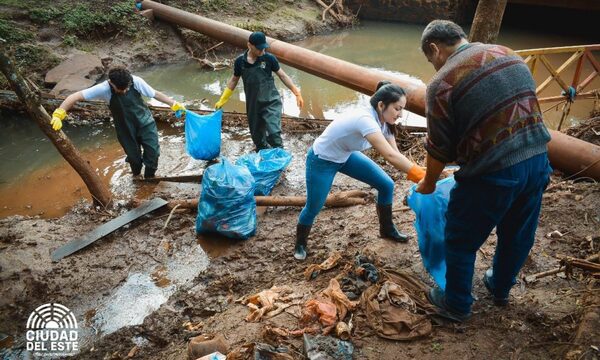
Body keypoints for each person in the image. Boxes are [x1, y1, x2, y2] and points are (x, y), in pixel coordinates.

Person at [416, 20, 552, 322]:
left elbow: (438, 147)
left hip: (494, 172)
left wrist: (427, 184)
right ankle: (501, 287)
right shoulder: (508, 53)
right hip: (537, 158)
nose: (433, 66)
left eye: (430, 59)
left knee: (460, 238)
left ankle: (457, 304)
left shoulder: (442, 84)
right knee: (517, 233)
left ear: (435, 49)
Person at [294, 81, 426, 261]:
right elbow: (389, 156)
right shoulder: (365, 119)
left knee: (386, 184)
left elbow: (396, 153)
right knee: (314, 206)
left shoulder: (384, 120)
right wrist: (422, 177)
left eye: (402, 109)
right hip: (322, 160)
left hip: (346, 155)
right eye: (397, 108)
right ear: (381, 105)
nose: (400, 114)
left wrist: (420, 172)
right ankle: (300, 243)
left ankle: (387, 229)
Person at [50, 67, 185, 179]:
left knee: (153, 153)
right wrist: (59, 113)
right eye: (121, 89)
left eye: (127, 88)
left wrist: (174, 104)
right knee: (134, 159)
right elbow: (74, 96)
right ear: (111, 83)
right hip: (125, 128)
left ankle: (150, 178)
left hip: (145, 123)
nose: (125, 91)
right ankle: (136, 177)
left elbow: (154, 94)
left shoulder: (136, 81)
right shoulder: (103, 88)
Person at [214, 31, 304, 151]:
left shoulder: (268, 58)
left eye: (264, 48)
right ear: (249, 45)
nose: (262, 51)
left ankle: (280, 157)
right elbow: (234, 80)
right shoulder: (240, 61)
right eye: (259, 48)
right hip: (253, 104)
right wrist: (223, 99)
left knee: (274, 134)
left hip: (271, 101)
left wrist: (296, 92)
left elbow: (283, 75)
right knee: (258, 138)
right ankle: (264, 157)